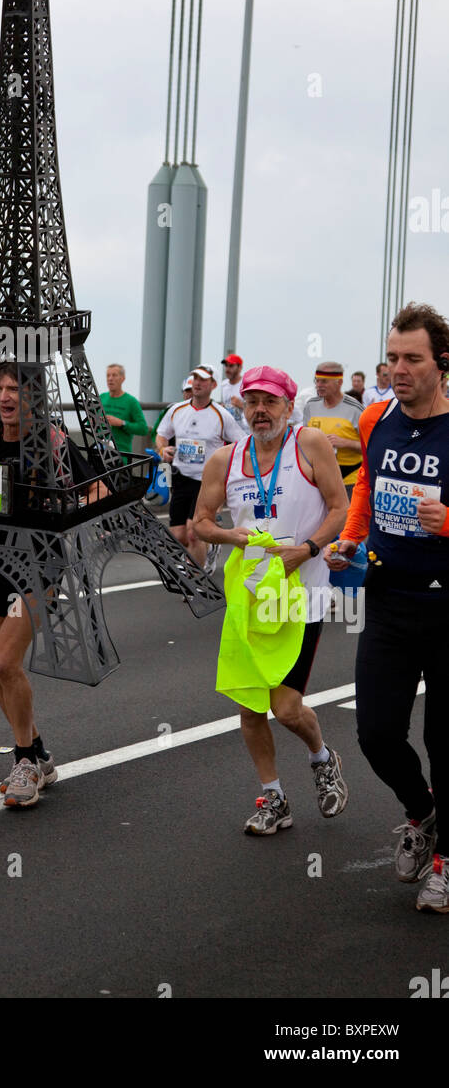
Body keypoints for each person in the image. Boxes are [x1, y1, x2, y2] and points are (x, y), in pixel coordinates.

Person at [329, 303, 449, 912]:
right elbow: (368, 490)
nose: (397, 370)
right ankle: (422, 813)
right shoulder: (377, 419)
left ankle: (448, 860)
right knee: (376, 731)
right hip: (388, 599)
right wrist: (352, 538)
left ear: (442, 364)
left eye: (412, 359)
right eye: (392, 358)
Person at [194, 365, 349, 834]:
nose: (261, 411)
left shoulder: (310, 444)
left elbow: (341, 508)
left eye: (270, 401)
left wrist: (305, 551)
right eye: (252, 402)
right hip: (251, 599)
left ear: (287, 405)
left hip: (301, 598)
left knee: (285, 709)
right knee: (249, 708)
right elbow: (200, 521)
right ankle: (274, 797)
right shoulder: (226, 458)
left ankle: (322, 758)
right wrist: (230, 535)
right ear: (241, 405)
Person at [0, 361, 106, 808]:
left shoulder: (53, 441)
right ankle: (40, 753)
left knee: (8, 663)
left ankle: (25, 761)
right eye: (1, 388)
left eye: (17, 389)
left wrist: (66, 510)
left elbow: (98, 490)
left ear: (35, 397)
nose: (7, 397)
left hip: (36, 568)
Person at [154, 365, 244, 569]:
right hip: (181, 477)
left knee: (194, 533)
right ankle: (210, 548)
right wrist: (163, 449)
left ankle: (198, 579)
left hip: (207, 482)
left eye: (203, 379)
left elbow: (241, 444)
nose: (197, 382)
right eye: (195, 378)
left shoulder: (221, 415)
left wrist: (225, 467)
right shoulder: (177, 410)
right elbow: (161, 434)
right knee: (179, 535)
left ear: (213, 385)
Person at [301, 362, 363, 496]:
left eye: (324, 381)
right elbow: (304, 441)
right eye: (316, 381)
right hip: (319, 477)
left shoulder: (355, 409)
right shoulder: (311, 406)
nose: (318, 385)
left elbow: (372, 447)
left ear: (339, 383)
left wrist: (345, 443)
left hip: (349, 478)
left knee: (346, 517)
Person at [100, 363, 149, 458]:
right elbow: (90, 423)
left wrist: (121, 423)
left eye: (114, 375)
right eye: (108, 375)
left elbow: (143, 429)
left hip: (121, 456)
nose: (110, 378)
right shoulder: (101, 398)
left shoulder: (131, 402)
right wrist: (94, 422)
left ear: (123, 378)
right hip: (100, 454)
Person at [220, 354, 246, 429]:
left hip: (244, 429)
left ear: (240, 368)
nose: (227, 369)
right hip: (228, 428)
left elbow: (254, 408)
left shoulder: (245, 384)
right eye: (226, 366)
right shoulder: (224, 385)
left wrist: (241, 404)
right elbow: (225, 405)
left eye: (231, 366)